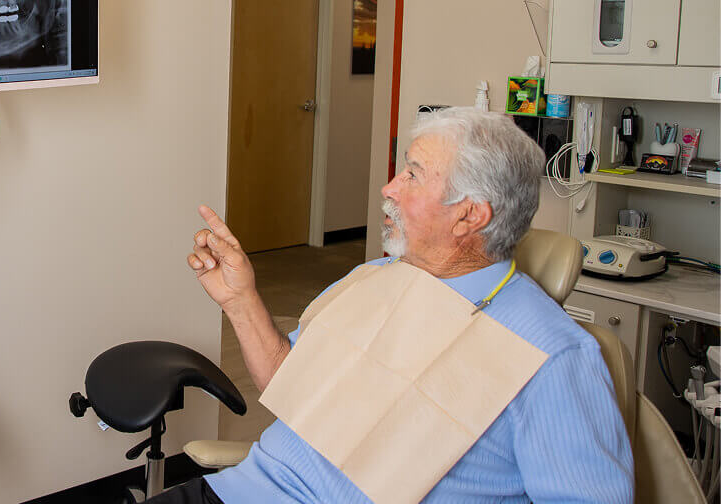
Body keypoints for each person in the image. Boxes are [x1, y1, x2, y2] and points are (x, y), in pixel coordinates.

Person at [162, 107, 634, 503]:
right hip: (243, 493)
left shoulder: (550, 355)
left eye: (412, 174)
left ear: (470, 213)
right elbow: (290, 385)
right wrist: (240, 299)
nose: (389, 188)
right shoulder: (374, 278)